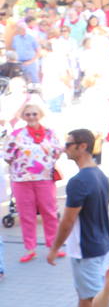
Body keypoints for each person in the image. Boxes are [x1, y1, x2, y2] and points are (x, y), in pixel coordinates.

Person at [48, 128, 109, 307]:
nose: (64, 148)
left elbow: (67, 221)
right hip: (101, 243)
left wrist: (55, 248)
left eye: (69, 144)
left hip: (85, 246)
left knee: (95, 297)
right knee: (88, 294)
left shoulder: (78, 181)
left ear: (82, 146)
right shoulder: (99, 175)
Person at [3, 101, 63, 264]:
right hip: (22, 180)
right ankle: (30, 248)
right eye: (27, 114)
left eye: (34, 114)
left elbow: (58, 151)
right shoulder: (16, 134)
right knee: (26, 214)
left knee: (49, 212)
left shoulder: (50, 133)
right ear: (23, 116)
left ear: (40, 115)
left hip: (44, 178)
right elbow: (7, 155)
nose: (31, 117)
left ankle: (53, 246)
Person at [12, 19, 40, 85]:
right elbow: (14, 50)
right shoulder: (15, 38)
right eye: (18, 29)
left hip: (30, 63)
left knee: (34, 80)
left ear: (24, 29)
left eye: (19, 29)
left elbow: (38, 51)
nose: (18, 30)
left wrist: (31, 61)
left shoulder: (31, 38)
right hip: (19, 63)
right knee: (22, 81)